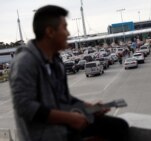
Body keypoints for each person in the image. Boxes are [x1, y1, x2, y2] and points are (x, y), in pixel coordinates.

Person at [9, 5, 128, 141]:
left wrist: (89, 107)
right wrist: (70, 118)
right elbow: (25, 107)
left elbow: (64, 98)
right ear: (50, 32)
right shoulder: (25, 62)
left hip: (64, 126)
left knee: (119, 126)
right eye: (64, 27)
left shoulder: (56, 60)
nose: (68, 33)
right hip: (45, 135)